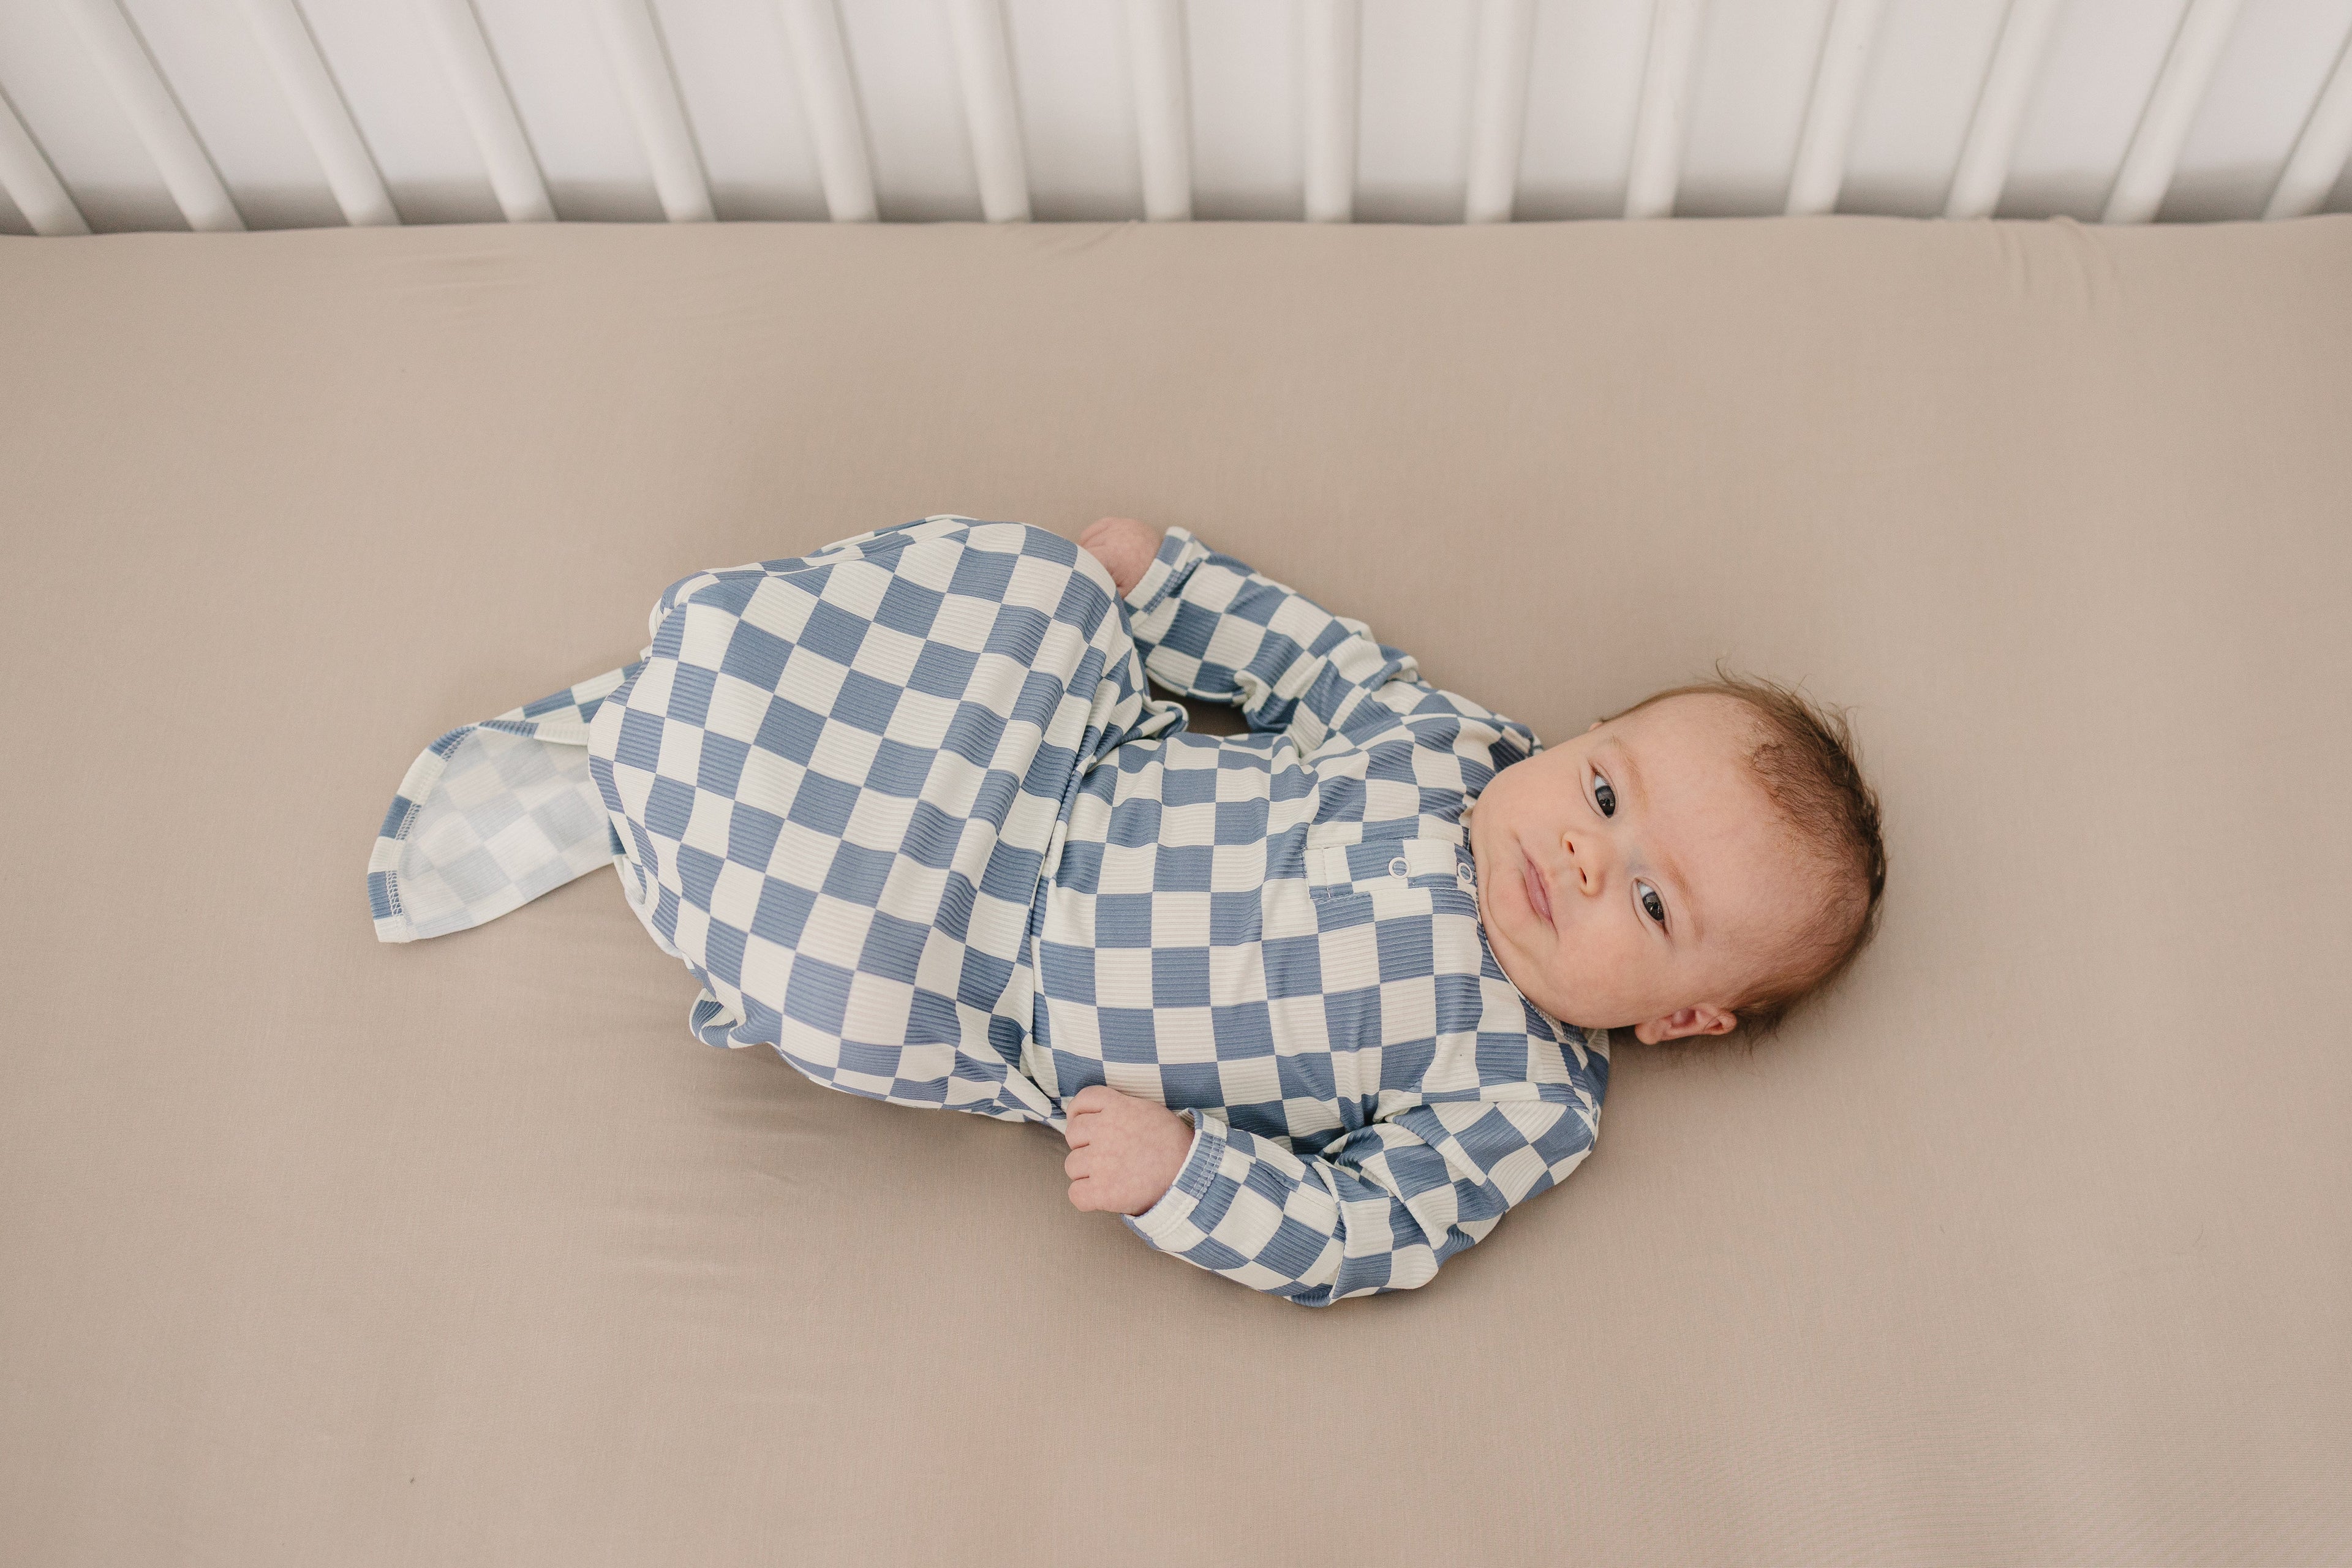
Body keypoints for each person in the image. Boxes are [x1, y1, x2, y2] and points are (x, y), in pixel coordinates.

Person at [367, 514, 1885, 1307]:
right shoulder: (1456, 747)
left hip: (999, 984)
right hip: (1057, 768)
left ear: (1683, 1015)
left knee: (847, 978)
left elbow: (1367, 1226)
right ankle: (706, 689)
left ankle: (645, 796)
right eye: (1605, 792)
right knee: (1037, 592)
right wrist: (1168, 590)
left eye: (1653, 901)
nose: (1577, 852)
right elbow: (1321, 666)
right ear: (1575, 742)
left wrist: (1186, 1179)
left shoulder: (1524, 1093)